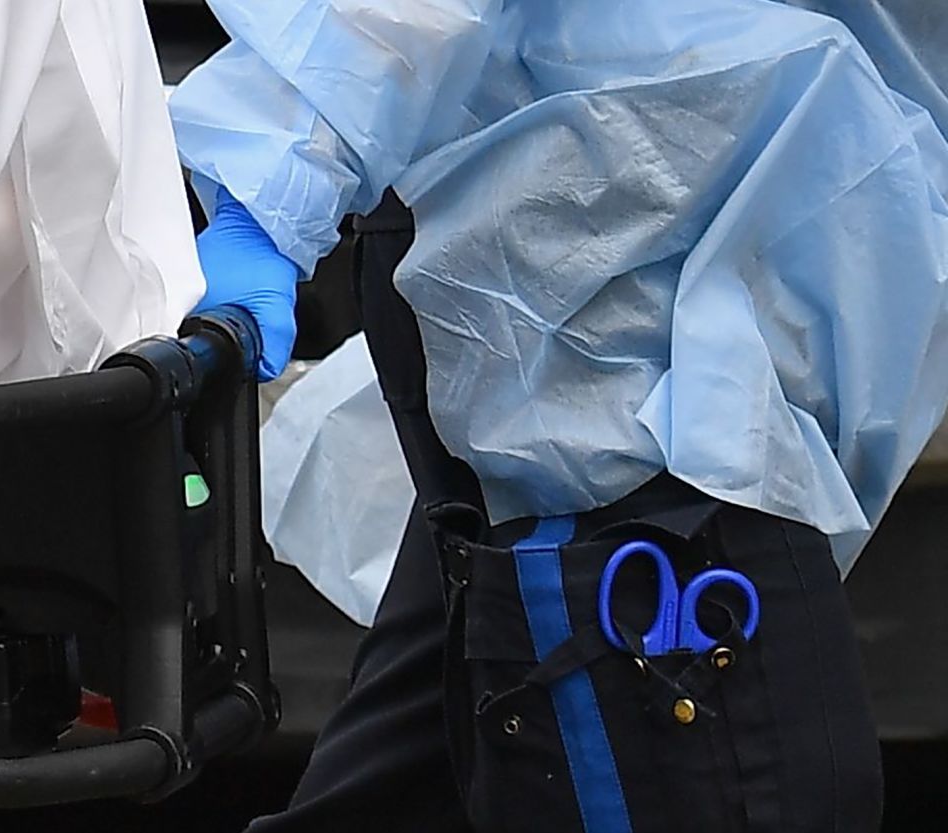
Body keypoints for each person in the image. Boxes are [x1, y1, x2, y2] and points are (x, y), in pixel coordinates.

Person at [172, 1, 948, 831]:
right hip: (612, 275)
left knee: (417, 767)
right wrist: (275, 182)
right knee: (743, 783)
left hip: (664, 249)